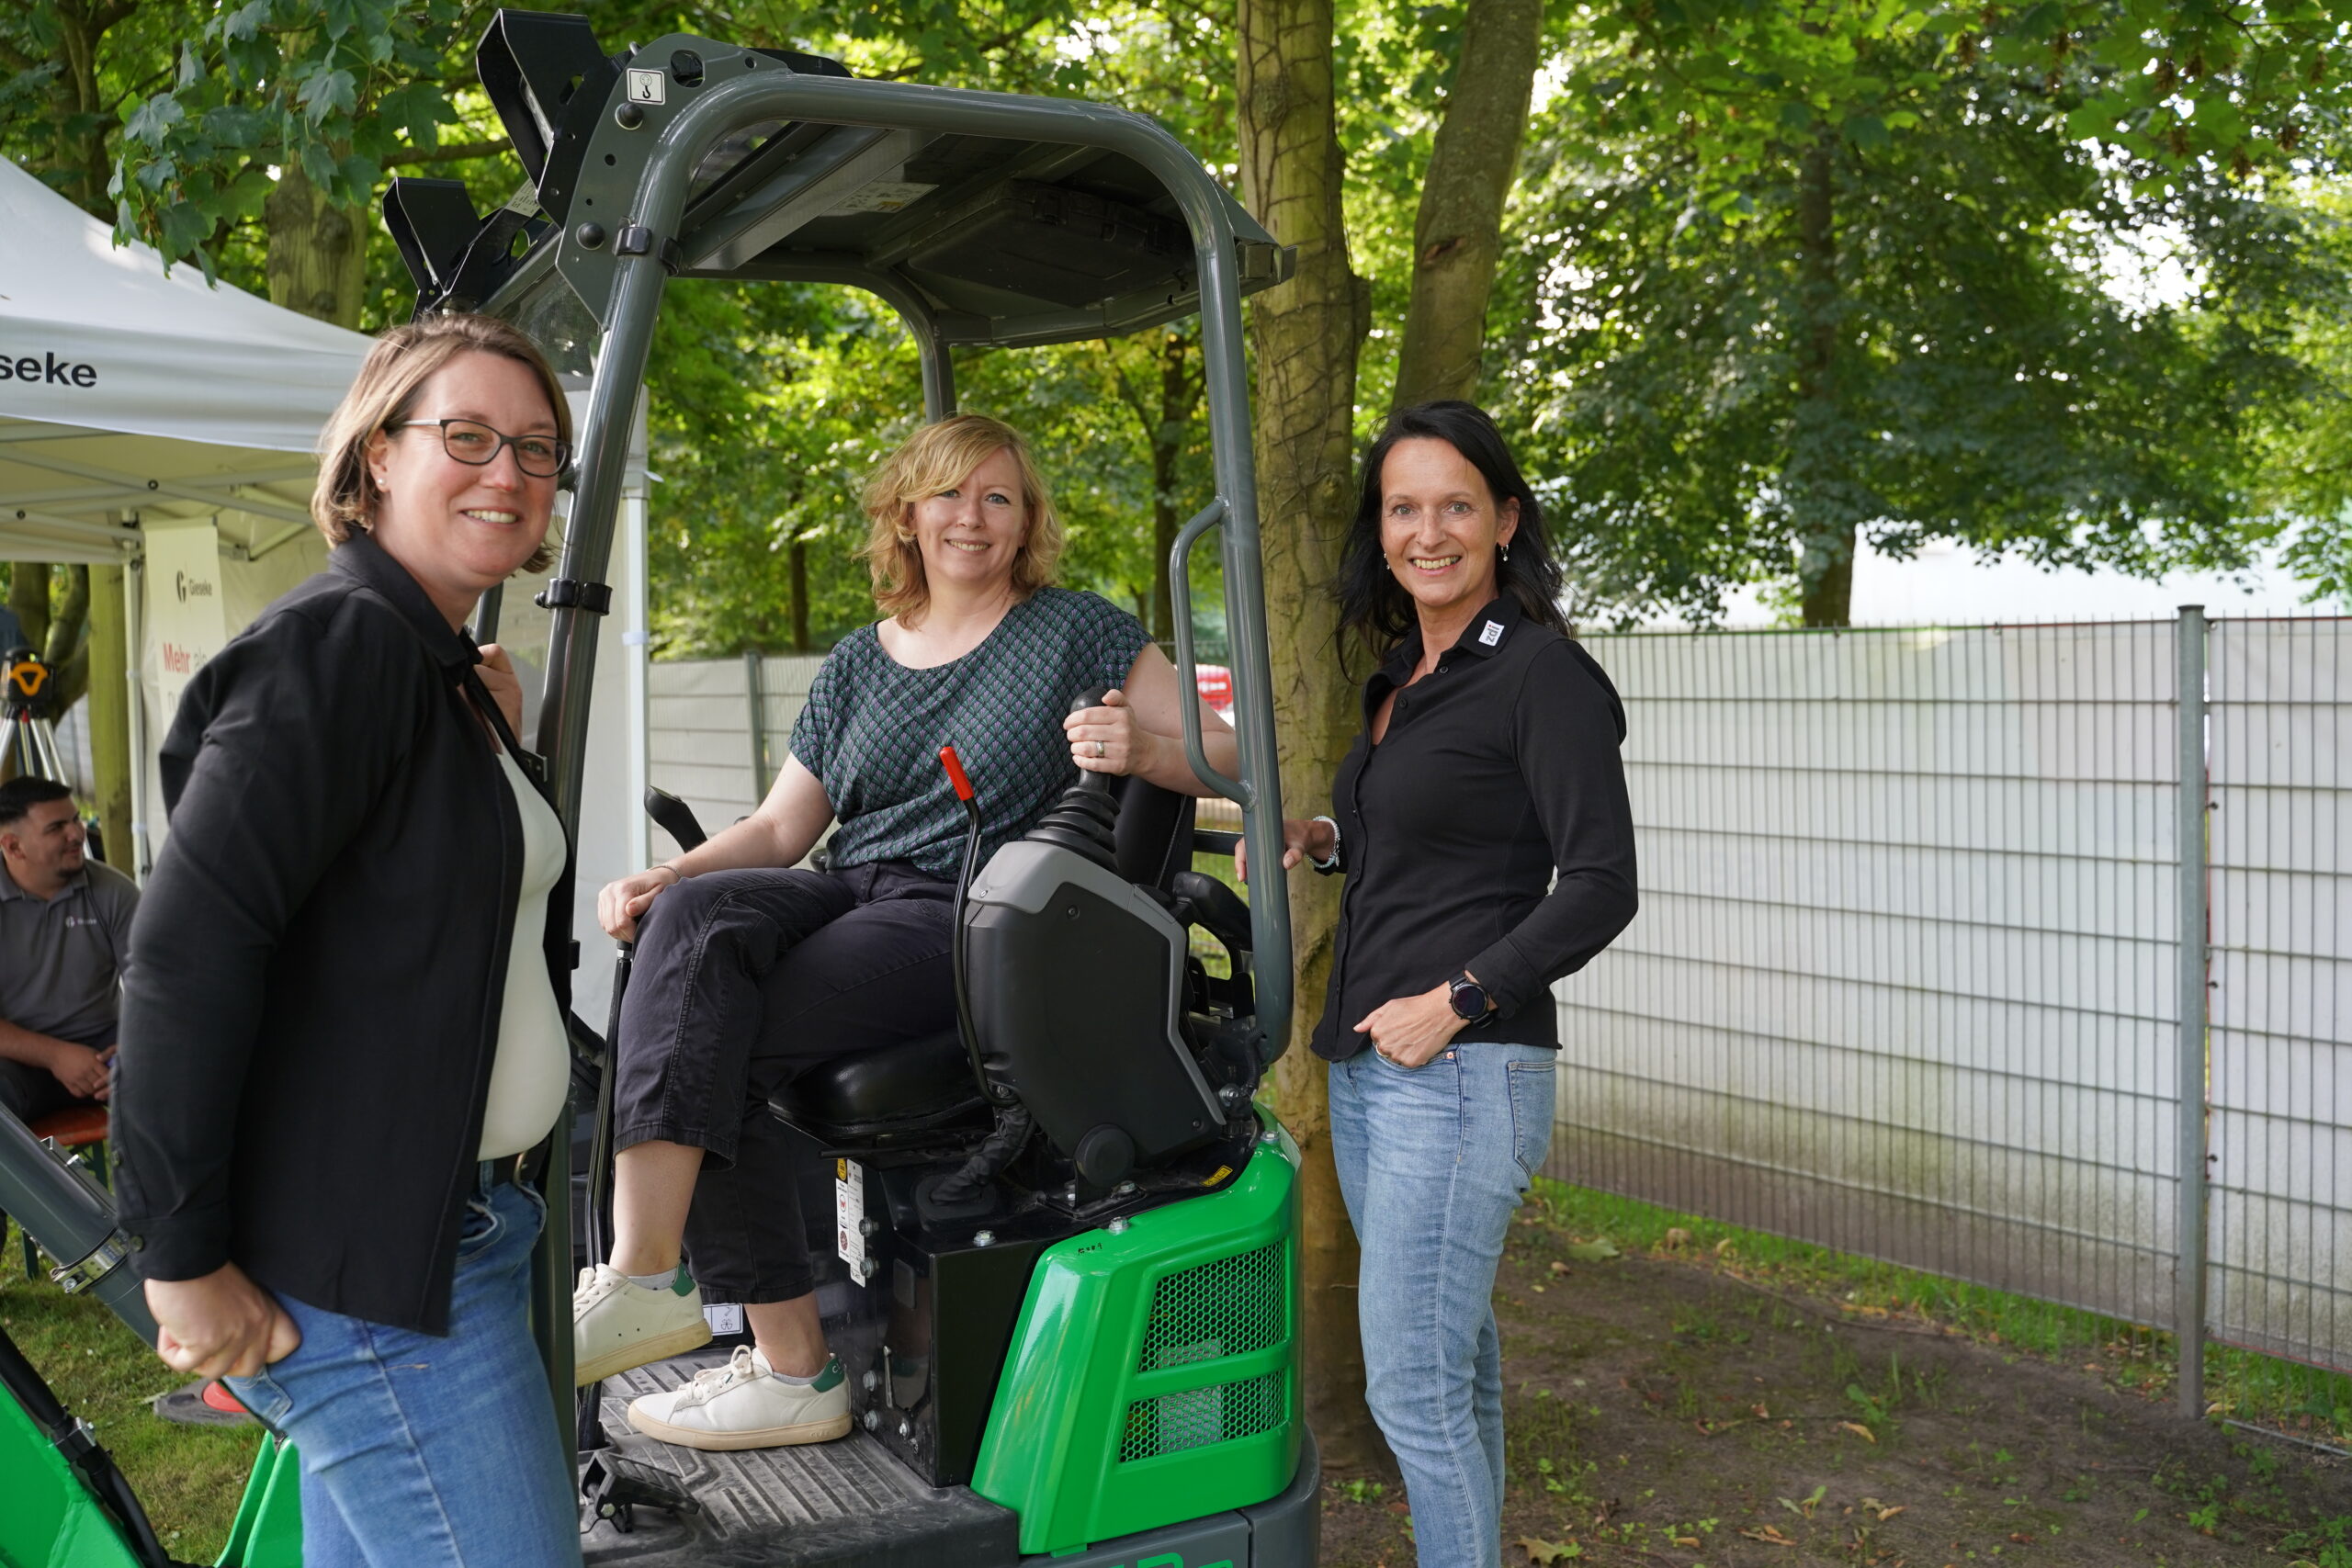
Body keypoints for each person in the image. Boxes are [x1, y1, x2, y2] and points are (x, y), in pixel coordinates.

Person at [572, 412, 1236, 1451]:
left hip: (968, 914)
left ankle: (762, 1352)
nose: (969, 517)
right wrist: (671, 872)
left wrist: (1149, 745)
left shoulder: (1078, 631)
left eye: (997, 498)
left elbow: (1230, 757)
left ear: (1025, 525)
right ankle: (649, 1277)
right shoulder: (853, 664)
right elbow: (784, 828)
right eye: (947, 494)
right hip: (846, 888)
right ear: (906, 514)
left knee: (716, 1028)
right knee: (697, 925)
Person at [111, 313, 583, 1568]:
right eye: (468, 435)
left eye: (537, 450)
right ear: (378, 453)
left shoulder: (430, 667)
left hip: (441, 1235)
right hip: (373, 1272)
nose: (507, 473)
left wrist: (491, 738)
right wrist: (182, 1254)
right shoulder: (343, 644)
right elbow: (186, 951)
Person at [1240, 400, 1638, 1568]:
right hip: (1377, 1070)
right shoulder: (1405, 680)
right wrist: (1326, 836)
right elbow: (1445, 848)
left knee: (1410, 1388)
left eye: (1456, 505)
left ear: (1504, 521)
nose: (1429, 531)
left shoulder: (1542, 677)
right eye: (1404, 507)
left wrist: (1456, 1000)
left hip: (1460, 1070)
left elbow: (1600, 883)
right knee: (1451, 1371)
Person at [0, 776, 136, 1127]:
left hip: (107, 1053)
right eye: (57, 827)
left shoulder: (114, 892)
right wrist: (56, 1055)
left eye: (75, 819)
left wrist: (137, 1048)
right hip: (18, 1061)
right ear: (13, 847)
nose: (77, 834)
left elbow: (160, 987)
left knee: (184, 1070)